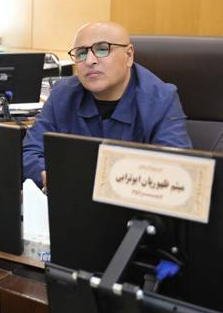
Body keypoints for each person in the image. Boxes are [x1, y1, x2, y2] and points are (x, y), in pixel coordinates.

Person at [23, 21, 192, 190]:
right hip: (71, 198)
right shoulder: (63, 94)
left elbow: (177, 170)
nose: (90, 60)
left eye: (102, 49)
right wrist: (47, 176)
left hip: (134, 202)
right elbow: (30, 151)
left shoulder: (161, 99)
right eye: (81, 53)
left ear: (129, 56)